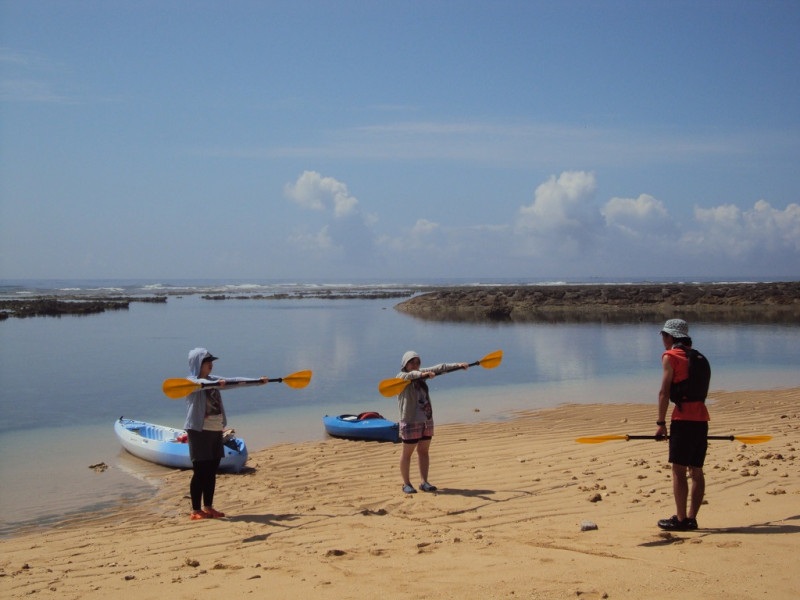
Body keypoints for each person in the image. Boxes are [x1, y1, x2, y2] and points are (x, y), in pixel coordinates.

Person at [184, 348, 267, 521]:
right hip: (199, 431)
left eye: (211, 362)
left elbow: (235, 381)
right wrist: (215, 384)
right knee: (200, 471)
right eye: (207, 362)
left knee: (212, 470)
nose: (211, 365)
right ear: (198, 364)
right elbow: (198, 386)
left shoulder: (213, 380)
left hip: (215, 430)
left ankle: (208, 507)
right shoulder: (190, 382)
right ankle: (195, 510)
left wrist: (258, 381)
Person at [655, 319, 710, 531]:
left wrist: (661, 423)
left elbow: (664, 392)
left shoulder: (671, 356)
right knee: (696, 470)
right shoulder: (699, 357)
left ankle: (679, 520)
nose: (662, 340)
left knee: (678, 470)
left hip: (683, 419)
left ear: (670, 337)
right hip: (701, 419)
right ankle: (691, 518)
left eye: (663, 336)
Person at [395, 351, 468, 494]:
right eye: (412, 362)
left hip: (426, 420)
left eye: (417, 362)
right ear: (405, 364)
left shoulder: (421, 373)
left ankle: (424, 482)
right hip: (410, 421)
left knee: (424, 451)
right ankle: (406, 484)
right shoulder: (401, 377)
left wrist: (458, 365)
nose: (415, 365)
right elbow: (410, 376)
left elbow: (439, 368)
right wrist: (422, 374)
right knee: (407, 453)